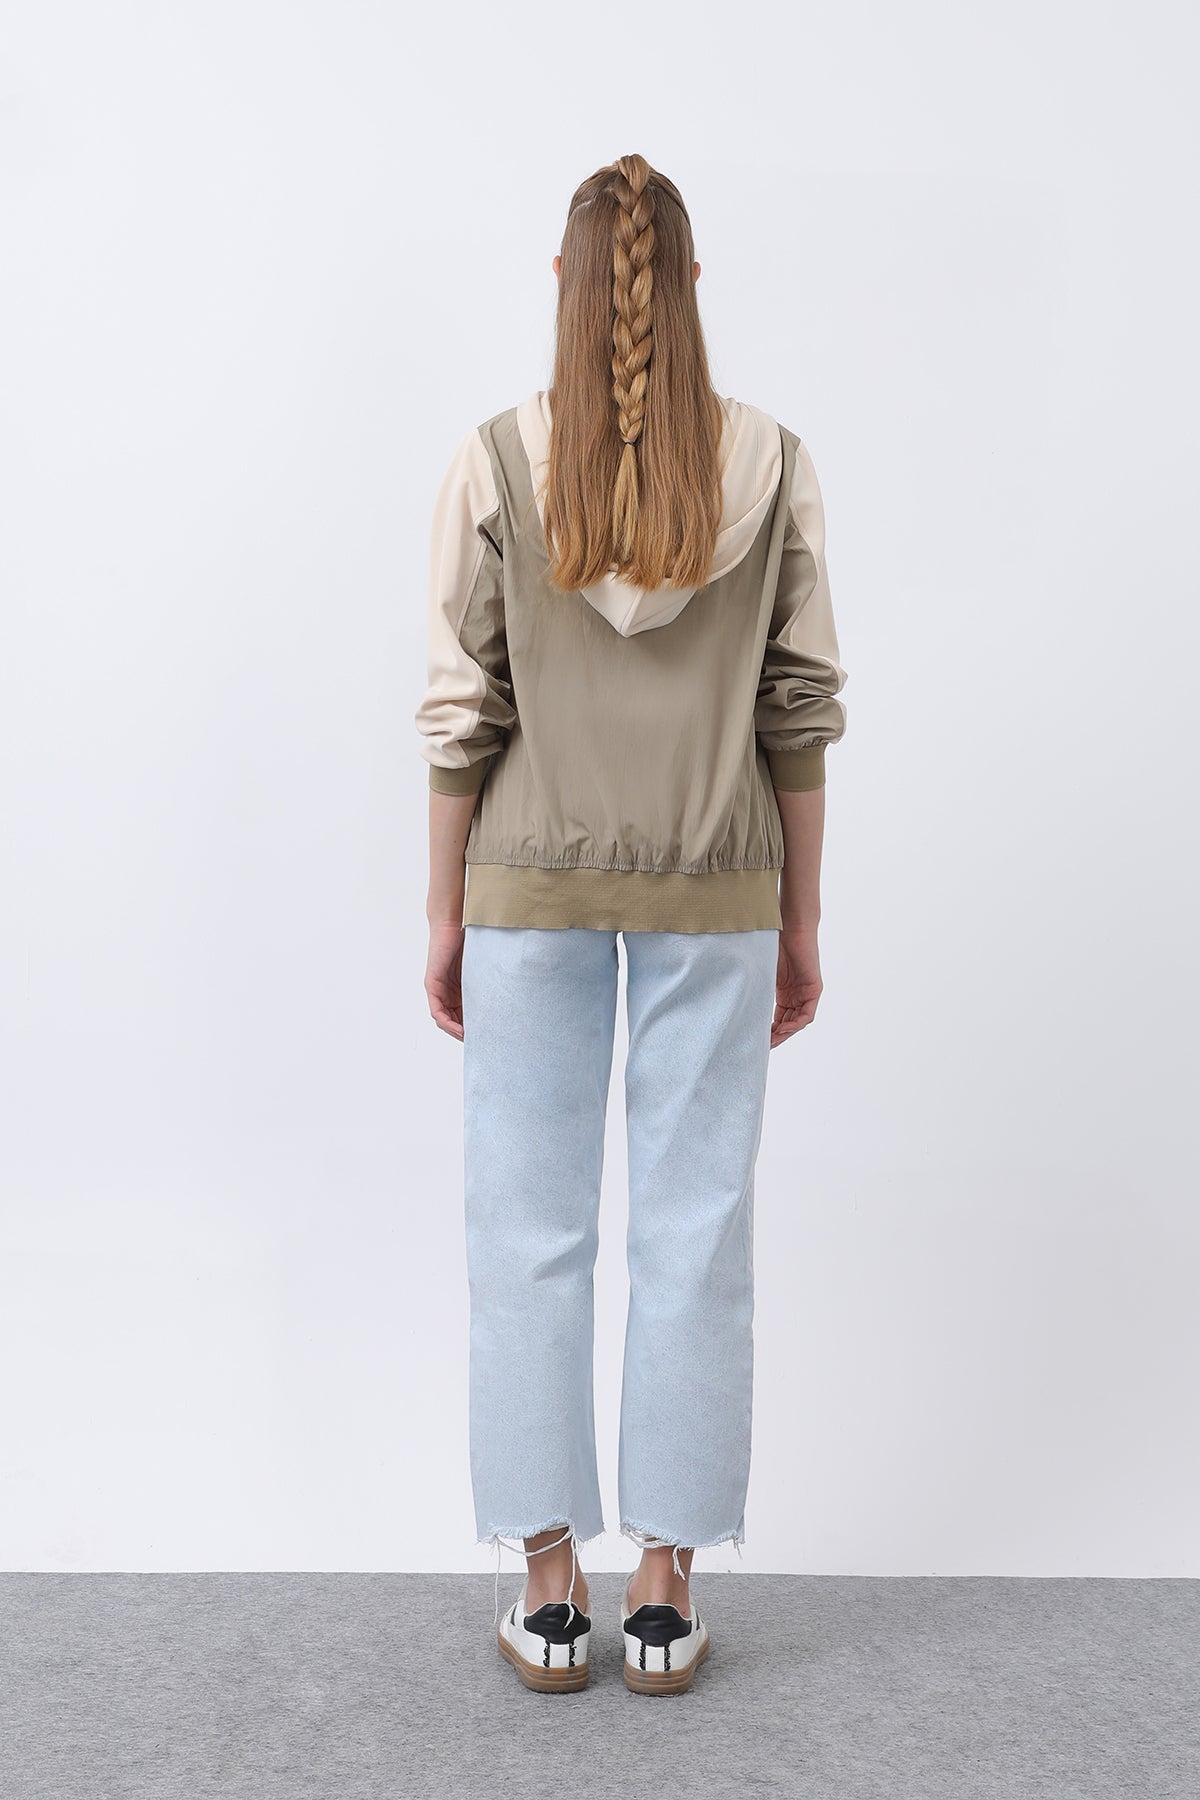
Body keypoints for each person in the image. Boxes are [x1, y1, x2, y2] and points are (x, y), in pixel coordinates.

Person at [415, 152, 848, 1696]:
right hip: (720, 886)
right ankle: (664, 1582)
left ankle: (549, 1584)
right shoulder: (773, 462)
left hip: (527, 888)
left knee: (525, 1233)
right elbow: (800, 705)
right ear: (692, 289)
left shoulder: (495, 460)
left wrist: (444, 911)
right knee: (695, 1232)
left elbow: (460, 711)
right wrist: (800, 914)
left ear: (562, 284)